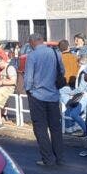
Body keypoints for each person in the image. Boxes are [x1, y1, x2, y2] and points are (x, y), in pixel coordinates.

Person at [24, 32, 64, 167]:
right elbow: (62, 71)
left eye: (30, 43)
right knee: (55, 128)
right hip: (53, 95)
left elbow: (28, 77)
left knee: (40, 128)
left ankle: (48, 158)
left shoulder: (32, 55)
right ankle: (60, 157)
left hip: (37, 95)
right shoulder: (55, 53)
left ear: (33, 41)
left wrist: (28, 89)